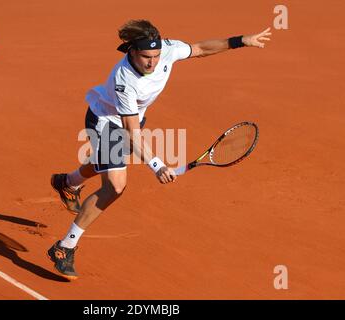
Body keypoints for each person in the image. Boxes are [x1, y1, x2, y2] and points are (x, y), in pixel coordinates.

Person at [47, 20, 272, 280]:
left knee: (108, 163)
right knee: (115, 186)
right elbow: (131, 133)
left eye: (155, 56)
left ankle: (68, 182)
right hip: (107, 121)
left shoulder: (168, 49)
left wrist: (240, 41)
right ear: (132, 52)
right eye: (146, 57)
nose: (152, 63)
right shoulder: (124, 80)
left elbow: (199, 48)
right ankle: (65, 247)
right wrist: (157, 165)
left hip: (132, 120)